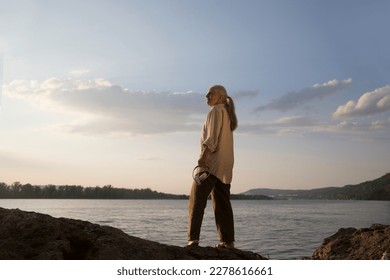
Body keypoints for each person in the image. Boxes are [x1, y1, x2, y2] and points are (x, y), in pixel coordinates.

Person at [187, 84, 238, 248]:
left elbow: (212, 137)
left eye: (210, 94)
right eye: (206, 95)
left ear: (221, 97)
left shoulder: (216, 111)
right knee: (222, 203)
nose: (207, 97)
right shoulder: (227, 113)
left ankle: (193, 240)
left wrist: (203, 157)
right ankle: (227, 242)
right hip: (225, 165)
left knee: (197, 199)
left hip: (212, 163)